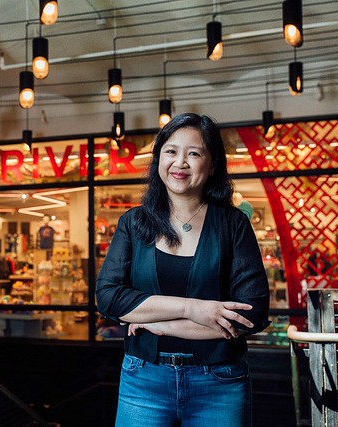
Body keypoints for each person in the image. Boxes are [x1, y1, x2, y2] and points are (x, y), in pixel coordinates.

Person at [96, 113, 270, 426]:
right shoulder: (133, 223)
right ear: (158, 160)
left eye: (194, 153)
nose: (181, 162)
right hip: (143, 379)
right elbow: (109, 298)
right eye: (171, 151)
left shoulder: (233, 225)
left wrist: (155, 323)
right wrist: (194, 309)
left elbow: (251, 313)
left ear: (213, 164)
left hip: (219, 381)